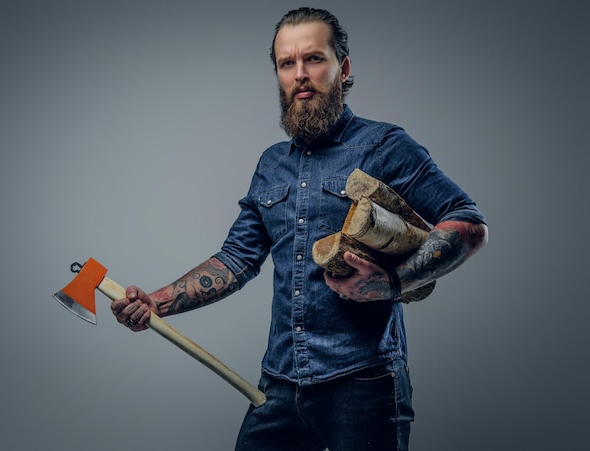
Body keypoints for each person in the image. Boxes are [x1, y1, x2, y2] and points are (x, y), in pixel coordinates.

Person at [111, 7, 488, 450]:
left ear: (342, 68)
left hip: (363, 382)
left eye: (314, 59)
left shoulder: (385, 145)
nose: (300, 75)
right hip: (280, 385)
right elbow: (236, 259)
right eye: (287, 64)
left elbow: (467, 221)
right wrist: (155, 303)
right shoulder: (272, 164)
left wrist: (392, 282)